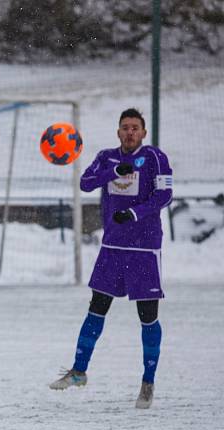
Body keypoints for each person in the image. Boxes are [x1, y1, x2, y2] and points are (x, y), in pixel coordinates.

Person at [49, 109, 173, 409]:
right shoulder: (107, 157)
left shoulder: (156, 157)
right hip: (113, 247)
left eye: (135, 128)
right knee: (97, 307)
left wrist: (133, 213)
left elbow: (164, 197)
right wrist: (112, 173)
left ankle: (148, 381)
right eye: (125, 128)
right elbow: (86, 183)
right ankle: (79, 371)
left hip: (144, 248)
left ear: (143, 133)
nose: (130, 132)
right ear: (118, 132)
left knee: (147, 315)